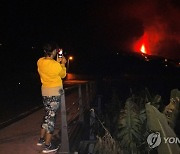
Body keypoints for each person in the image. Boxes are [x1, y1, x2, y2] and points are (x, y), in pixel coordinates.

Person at [37, 43, 67, 153]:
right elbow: (63, 74)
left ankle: (41, 139)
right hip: (54, 92)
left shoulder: (40, 61)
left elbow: (51, 68)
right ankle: (48, 145)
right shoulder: (56, 65)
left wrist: (58, 63)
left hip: (45, 92)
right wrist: (63, 64)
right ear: (53, 52)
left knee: (47, 115)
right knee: (51, 119)